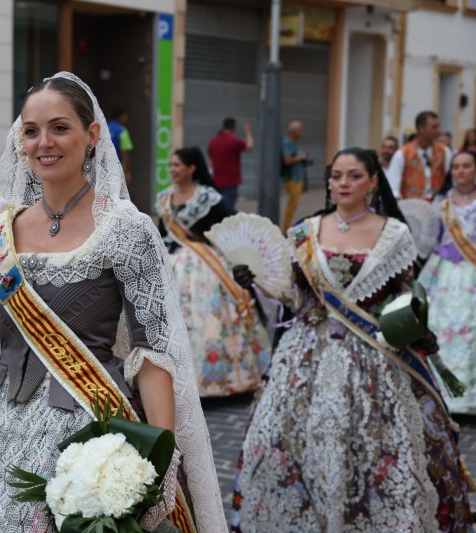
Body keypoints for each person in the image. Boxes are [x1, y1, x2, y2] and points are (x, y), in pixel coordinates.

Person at [0, 73, 226, 532]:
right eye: (31, 131)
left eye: (60, 127)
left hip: (86, 425)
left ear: (92, 135)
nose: (44, 142)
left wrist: (161, 454)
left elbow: (152, 354)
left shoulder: (125, 229)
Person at [230, 147, 471, 531]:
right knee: (286, 441)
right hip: (308, 352)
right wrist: (256, 280)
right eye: (337, 175)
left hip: (375, 356)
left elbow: (403, 295)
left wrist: (416, 327)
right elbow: (296, 296)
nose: (343, 183)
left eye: (354, 175)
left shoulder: (394, 234)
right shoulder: (306, 231)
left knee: (378, 446)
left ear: (373, 181)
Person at [157, 147, 270, 397]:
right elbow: (162, 233)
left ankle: (214, 380)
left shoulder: (208, 197)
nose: (172, 170)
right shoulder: (165, 198)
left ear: (191, 168)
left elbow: (233, 224)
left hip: (206, 267)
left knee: (211, 320)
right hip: (174, 265)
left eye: (177, 165)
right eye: (171, 165)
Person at [418, 150, 476, 414]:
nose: (461, 171)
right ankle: (443, 391)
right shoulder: (440, 204)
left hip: (472, 271)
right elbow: (430, 241)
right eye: (456, 167)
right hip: (442, 274)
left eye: (466, 166)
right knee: (440, 328)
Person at [386, 111, 452, 200]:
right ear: (421, 128)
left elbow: (451, 179)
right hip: (411, 208)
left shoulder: (444, 151)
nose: (438, 131)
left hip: (438, 206)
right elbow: (392, 187)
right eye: (434, 127)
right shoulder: (402, 153)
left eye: (438, 126)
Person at [207, 117, 253, 209]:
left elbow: (210, 161)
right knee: (228, 210)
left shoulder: (213, 142)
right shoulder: (234, 141)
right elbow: (249, 146)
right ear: (234, 128)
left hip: (216, 181)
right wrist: (247, 131)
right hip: (230, 182)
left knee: (217, 209)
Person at [281, 120, 308, 232]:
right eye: (300, 130)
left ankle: (288, 228)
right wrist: (300, 157)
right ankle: (286, 229)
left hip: (298, 177)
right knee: (293, 204)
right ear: (294, 131)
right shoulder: (287, 142)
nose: (301, 133)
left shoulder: (293, 142)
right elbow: (287, 160)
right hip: (292, 178)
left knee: (294, 204)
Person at [107, 108, 133, 184]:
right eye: (125, 116)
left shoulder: (103, 128)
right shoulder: (122, 131)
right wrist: (127, 171)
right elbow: (125, 153)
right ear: (120, 117)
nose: (126, 119)